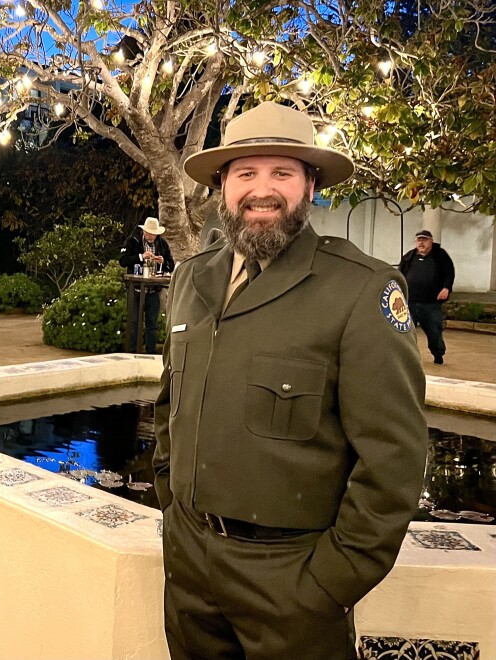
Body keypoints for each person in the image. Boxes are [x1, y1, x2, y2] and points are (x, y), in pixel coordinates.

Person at [155, 102, 428, 659]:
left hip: (291, 581)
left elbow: (394, 460)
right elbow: (169, 409)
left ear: (310, 186)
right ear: (223, 186)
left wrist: (327, 584)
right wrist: (171, 508)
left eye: (282, 172)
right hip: (189, 570)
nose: (263, 189)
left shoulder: (360, 290)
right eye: (245, 173)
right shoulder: (190, 279)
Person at [118, 217, 175, 353]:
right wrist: (141, 257)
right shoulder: (133, 241)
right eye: (149, 233)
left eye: (154, 233)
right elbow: (123, 260)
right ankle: (132, 352)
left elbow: (171, 264)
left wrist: (163, 262)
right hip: (136, 289)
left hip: (153, 290)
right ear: (144, 232)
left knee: (152, 325)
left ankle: (151, 353)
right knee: (134, 323)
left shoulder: (162, 244)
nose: (151, 236)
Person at [399, 229, 455, 364]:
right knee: (405, 331)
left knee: (434, 330)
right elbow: (400, 274)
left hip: (431, 302)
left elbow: (449, 272)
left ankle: (438, 355)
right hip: (410, 301)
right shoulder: (409, 256)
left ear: (431, 241)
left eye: (424, 240)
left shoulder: (440, 256)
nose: (421, 243)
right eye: (419, 240)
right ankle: (406, 357)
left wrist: (446, 288)